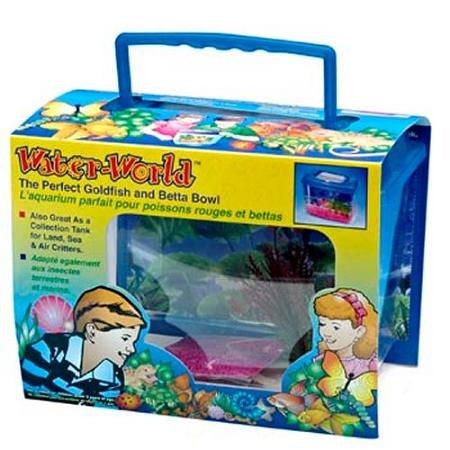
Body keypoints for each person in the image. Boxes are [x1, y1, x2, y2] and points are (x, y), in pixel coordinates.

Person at [21, 286, 146, 399]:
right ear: (92, 331)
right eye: (125, 339)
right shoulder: (49, 350)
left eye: (133, 342)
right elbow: (27, 392)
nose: (132, 349)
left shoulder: (114, 380)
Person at [313, 288, 377, 377]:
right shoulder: (321, 361)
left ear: (359, 331)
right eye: (322, 324)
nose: (326, 332)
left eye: (336, 327)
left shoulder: (370, 364)